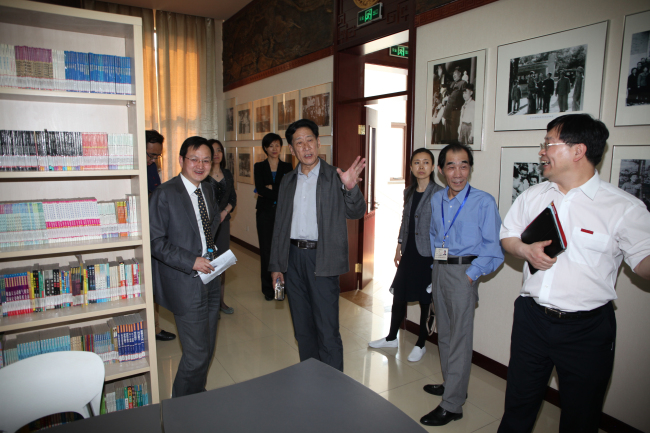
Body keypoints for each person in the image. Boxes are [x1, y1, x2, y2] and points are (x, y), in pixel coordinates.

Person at [497, 114, 650, 433]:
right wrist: (525, 250)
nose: (542, 152)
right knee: (518, 407)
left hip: (587, 330)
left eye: (548, 144)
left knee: (581, 417)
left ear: (578, 150)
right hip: (531, 319)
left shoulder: (624, 208)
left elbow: (643, 264)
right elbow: (508, 236)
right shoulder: (534, 196)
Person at [269, 119, 366, 371]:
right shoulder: (288, 180)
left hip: (322, 259)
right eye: (299, 143)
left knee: (327, 330)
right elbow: (280, 226)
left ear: (318, 142)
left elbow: (356, 212)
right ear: (292, 149)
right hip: (292, 259)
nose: (306, 147)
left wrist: (351, 188)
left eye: (309, 140)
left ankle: (333, 386)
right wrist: (276, 265)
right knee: (302, 329)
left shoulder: (335, 176)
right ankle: (310, 380)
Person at [420, 142, 504, 427]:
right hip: (440, 270)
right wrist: (435, 267)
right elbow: (435, 236)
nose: (457, 173)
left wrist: (471, 274)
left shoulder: (483, 202)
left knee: (459, 338)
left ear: (470, 168)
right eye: (451, 166)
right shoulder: (436, 199)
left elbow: (494, 248)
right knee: (444, 333)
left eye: (464, 166)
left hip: (463, 273)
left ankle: (452, 405)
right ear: (441, 170)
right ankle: (452, 385)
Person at [149, 136, 221, 398]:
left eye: (206, 160)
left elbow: (210, 224)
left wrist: (210, 251)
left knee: (207, 347)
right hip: (185, 281)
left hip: (211, 276)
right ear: (181, 160)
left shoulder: (208, 189)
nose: (200, 166)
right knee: (196, 354)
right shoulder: (165, 194)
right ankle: (180, 407)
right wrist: (192, 260)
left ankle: (196, 396)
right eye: (194, 159)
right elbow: (156, 242)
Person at [368, 149, 443, 362]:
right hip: (409, 250)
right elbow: (406, 219)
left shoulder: (439, 193)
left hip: (428, 254)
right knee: (399, 294)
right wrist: (399, 245)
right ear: (411, 167)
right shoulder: (408, 191)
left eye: (426, 162)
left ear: (433, 167)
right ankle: (391, 337)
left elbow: (443, 226)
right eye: (417, 162)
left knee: (425, 299)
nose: (421, 166)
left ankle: (421, 343)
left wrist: (440, 256)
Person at [145, 129, 177, 342]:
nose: (153, 160)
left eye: (157, 156)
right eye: (151, 155)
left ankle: (155, 328)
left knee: (152, 282)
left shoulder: (151, 167)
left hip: (153, 228)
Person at [254, 133, 293, 301]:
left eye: (277, 145)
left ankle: (282, 289)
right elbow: (260, 189)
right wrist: (277, 191)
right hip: (265, 213)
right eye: (271, 146)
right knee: (267, 251)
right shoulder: (259, 166)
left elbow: (289, 189)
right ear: (265, 148)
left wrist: (271, 189)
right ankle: (268, 290)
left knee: (284, 250)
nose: (274, 149)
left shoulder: (287, 167)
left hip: (284, 214)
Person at [207, 139, 237, 314]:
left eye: (219, 150)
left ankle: (220, 302)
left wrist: (224, 212)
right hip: (207, 225)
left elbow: (233, 198)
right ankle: (209, 305)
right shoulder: (203, 173)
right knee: (208, 263)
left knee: (222, 263)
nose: (216, 153)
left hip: (223, 223)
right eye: (212, 150)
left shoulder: (227, 173)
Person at [442, 67, 467, 142]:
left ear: (460, 73)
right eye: (453, 74)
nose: (454, 75)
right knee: (447, 136)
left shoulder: (462, 83)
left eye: (455, 73)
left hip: (455, 112)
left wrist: (444, 115)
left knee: (453, 136)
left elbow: (453, 99)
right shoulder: (453, 84)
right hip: (449, 112)